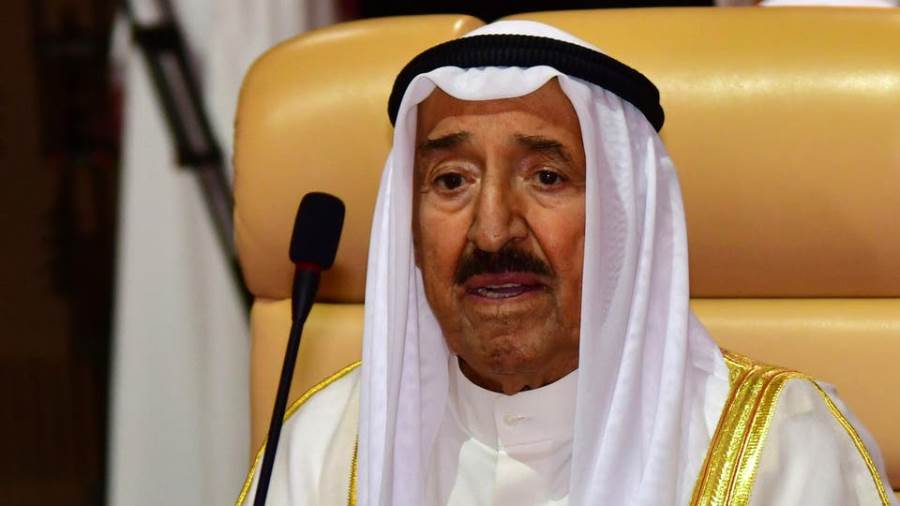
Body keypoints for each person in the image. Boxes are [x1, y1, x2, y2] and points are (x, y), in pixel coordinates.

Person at [237, 20, 895, 505]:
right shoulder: (326, 448)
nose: (491, 230)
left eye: (547, 177)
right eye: (451, 181)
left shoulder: (778, 449)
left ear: (624, 223)